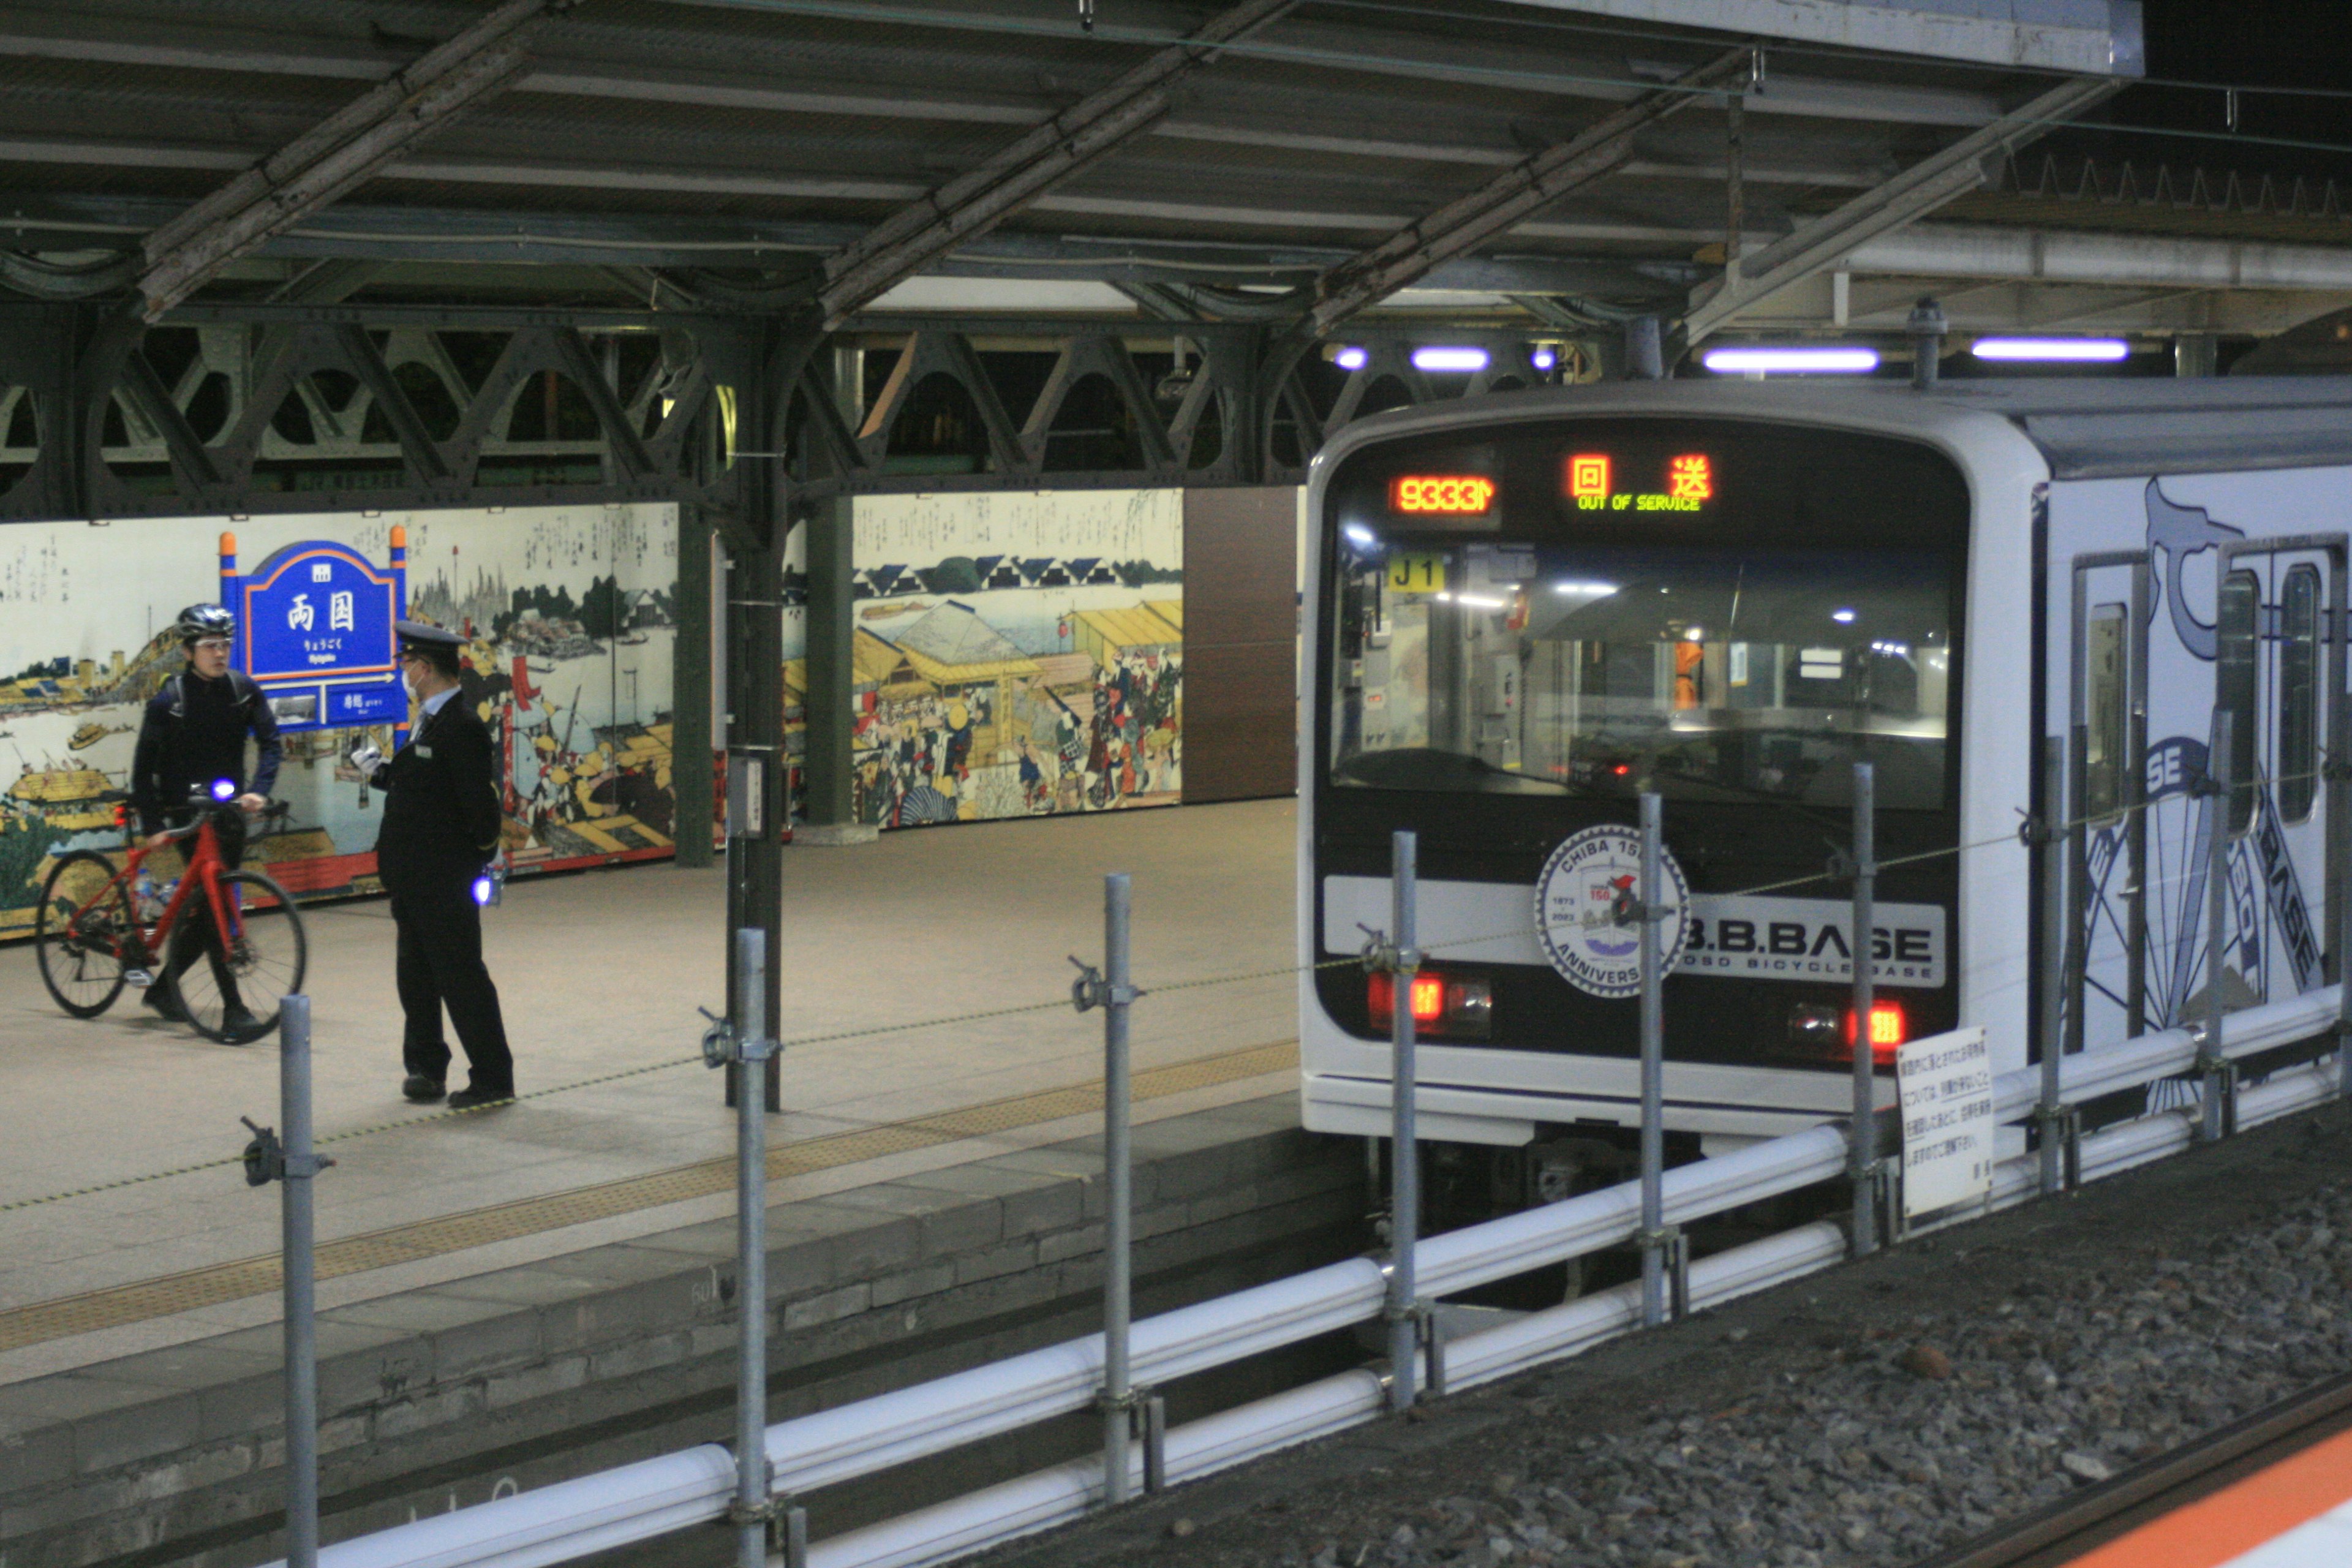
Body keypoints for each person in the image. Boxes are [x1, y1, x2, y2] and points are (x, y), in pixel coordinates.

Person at [350, 622, 513, 1109]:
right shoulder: (428, 719)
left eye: (406, 664)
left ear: (423, 669)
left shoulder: (461, 726)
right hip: (413, 878)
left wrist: (484, 859)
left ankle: (493, 1077)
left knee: (461, 979)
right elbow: (419, 783)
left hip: (444, 879)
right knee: (416, 978)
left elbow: (479, 808)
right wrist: (376, 772)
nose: (402, 671)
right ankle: (425, 1067)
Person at [128, 603, 280, 1036]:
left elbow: (271, 742)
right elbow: (143, 771)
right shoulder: (168, 703)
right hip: (184, 816)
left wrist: (259, 790)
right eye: (211, 645)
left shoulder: (243, 690)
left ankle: (161, 991)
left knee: (210, 906)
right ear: (190, 650)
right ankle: (233, 1008)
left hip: (228, 814)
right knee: (214, 911)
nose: (220, 653)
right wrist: (154, 827)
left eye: (226, 644)